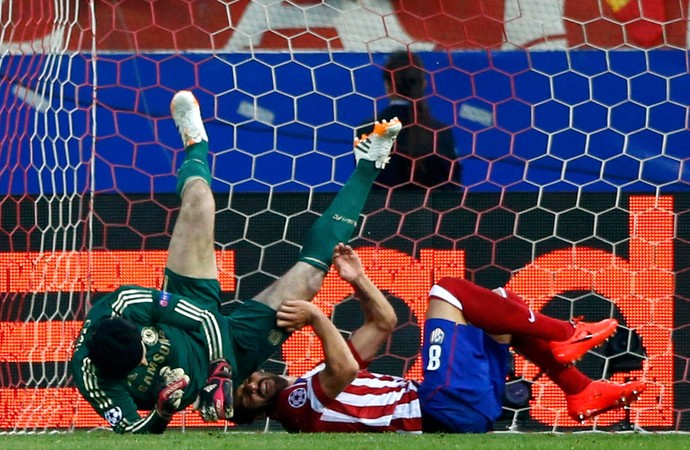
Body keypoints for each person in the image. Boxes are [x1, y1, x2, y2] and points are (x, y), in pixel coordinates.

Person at [69, 90, 403, 434]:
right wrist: (162, 411)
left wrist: (219, 372)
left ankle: (195, 144)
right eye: (135, 366)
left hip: (191, 319)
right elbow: (131, 432)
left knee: (199, 202)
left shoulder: (124, 304)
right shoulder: (91, 377)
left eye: (143, 349)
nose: (145, 360)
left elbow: (203, 319)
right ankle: (367, 166)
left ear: (130, 328)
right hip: (237, 355)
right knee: (310, 280)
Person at [232, 255, 647, 433]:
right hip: (441, 405)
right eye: (246, 399)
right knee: (447, 290)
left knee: (502, 306)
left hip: (463, 408)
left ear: (256, 368)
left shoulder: (308, 386)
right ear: (255, 414)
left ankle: (579, 390)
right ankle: (562, 334)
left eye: (246, 382)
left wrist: (358, 280)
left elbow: (384, 322)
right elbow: (345, 369)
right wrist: (317, 315)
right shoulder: (291, 406)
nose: (253, 388)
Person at [357, 50, 460, 190]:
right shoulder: (440, 132)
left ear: (388, 86)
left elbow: (364, 186)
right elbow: (450, 187)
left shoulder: (367, 130)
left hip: (382, 211)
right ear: (423, 83)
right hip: (429, 211)